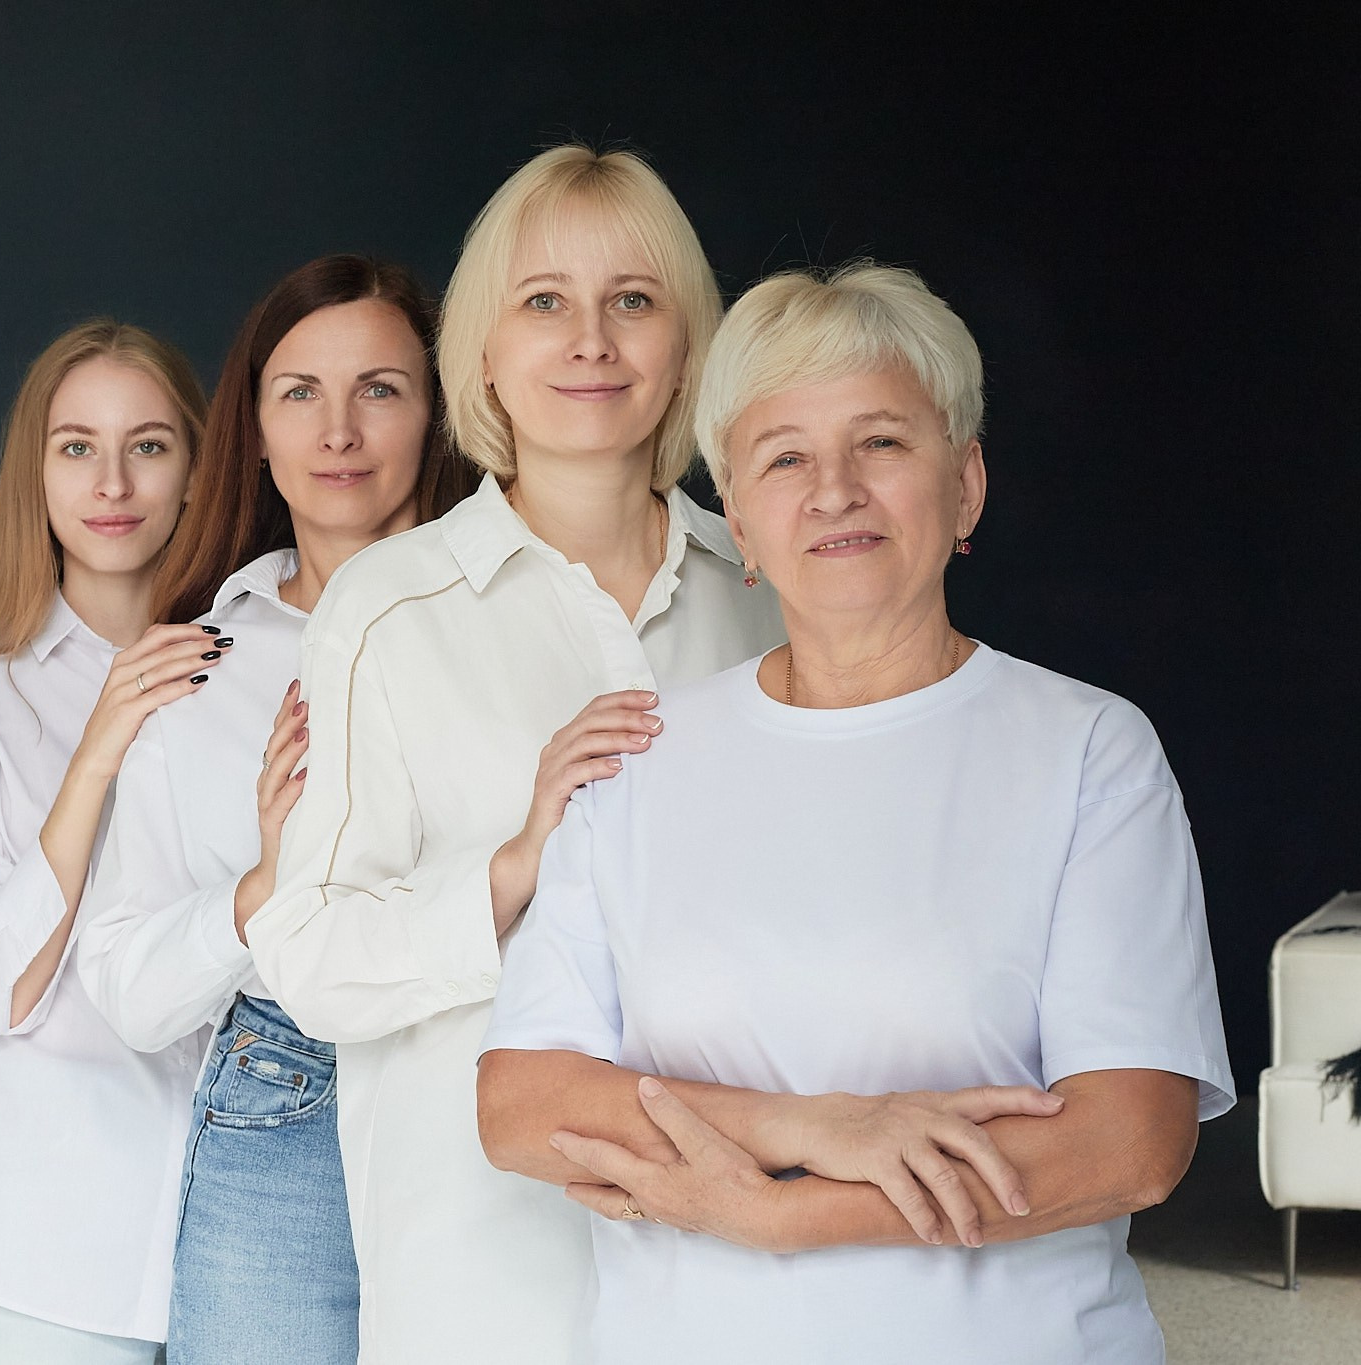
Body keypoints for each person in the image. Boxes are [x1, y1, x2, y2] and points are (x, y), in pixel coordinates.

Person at [477, 263, 1234, 1364]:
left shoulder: (1085, 749)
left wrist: (784, 1216)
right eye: (783, 457)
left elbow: (1129, 1143)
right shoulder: (639, 755)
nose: (832, 490)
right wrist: (808, 1127)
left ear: (964, 483)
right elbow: (521, 1102)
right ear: (735, 514)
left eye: (880, 442)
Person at [242, 145, 784, 1363]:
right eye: (543, 302)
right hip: (484, 1268)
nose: (589, 340)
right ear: (481, 352)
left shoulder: (773, 591)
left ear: (685, 345)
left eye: (631, 301)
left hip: (747, 1246)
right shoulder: (386, 608)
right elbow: (310, 956)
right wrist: (517, 862)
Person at [75, 255, 473, 1365]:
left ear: (437, 414)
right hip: (281, 1094)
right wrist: (262, 888)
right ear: (250, 426)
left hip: (477, 1074)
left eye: (380, 389)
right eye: (298, 392)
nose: (337, 432)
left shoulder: (513, 626)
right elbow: (127, 992)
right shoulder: (195, 668)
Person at [0, 320, 213, 1364]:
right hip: (48, 1222)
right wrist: (96, 752)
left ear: (197, 470)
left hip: (249, 1205)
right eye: (76, 447)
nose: (111, 481)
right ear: (35, 474)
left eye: (148, 445)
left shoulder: (260, 661)